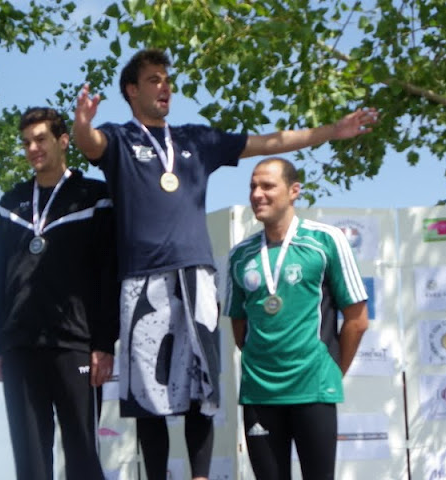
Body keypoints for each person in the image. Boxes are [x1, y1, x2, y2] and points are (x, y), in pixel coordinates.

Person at [73, 48, 377, 480]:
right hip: (142, 278)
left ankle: (199, 476)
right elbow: (91, 144)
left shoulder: (196, 140)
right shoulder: (120, 138)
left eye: (167, 80)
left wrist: (332, 131)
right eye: (154, 80)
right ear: (132, 90)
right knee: (146, 397)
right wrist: (82, 123)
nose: (165, 87)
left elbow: (268, 143)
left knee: (200, 388)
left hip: (195, 274)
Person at [0, 107, 119, 480]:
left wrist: (104, 342)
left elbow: (108, 273)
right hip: (20, 345)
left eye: (41, 139)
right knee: (30, 462)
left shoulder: (94, 196)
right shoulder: (11, 203)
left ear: (63, 141)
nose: (33, 148)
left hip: (74, 343)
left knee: (82, 456)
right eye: (27, 142)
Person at [224, 157, 369, 479]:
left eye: (267, 186)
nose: (257, 194)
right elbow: (239, 324)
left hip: (313, 387)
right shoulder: (240, 255)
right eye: (252, 187)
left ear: (293, 191)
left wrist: (331, 372)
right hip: (259, 392)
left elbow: (357, 320)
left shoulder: (326, 241)